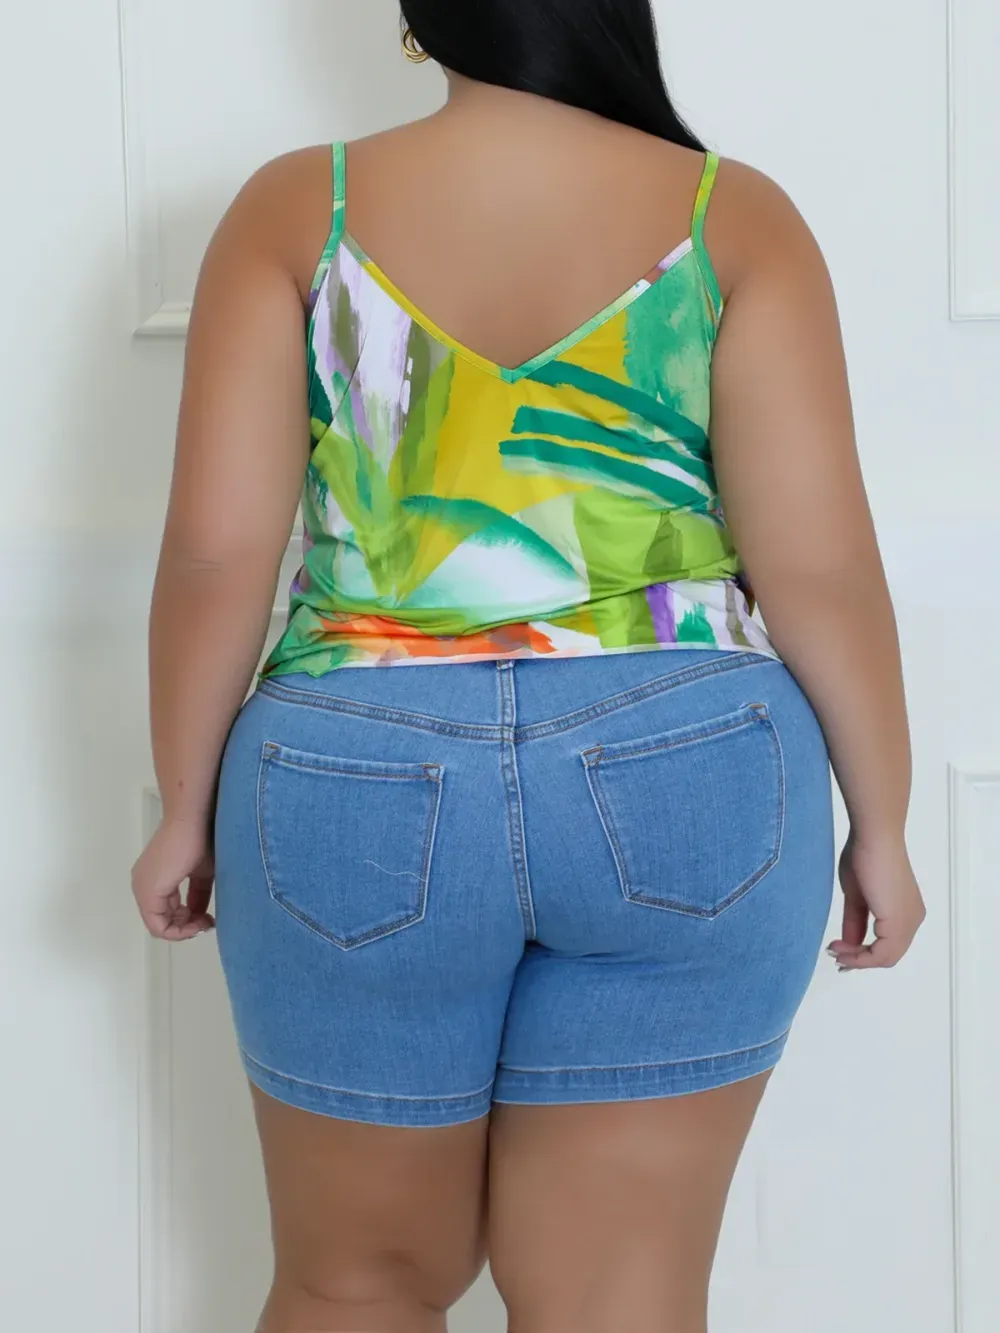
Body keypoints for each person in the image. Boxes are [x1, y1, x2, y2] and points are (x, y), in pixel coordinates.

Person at [130, 2, 926, 1329]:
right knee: (620, 1291)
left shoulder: (299, 211)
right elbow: (822, 565)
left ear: (420, 17)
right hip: (687, 766)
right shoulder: (732, 219)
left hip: (355, 770)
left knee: (353, 1282)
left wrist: (182, 803)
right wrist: (883, 820)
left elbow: (218, 554)